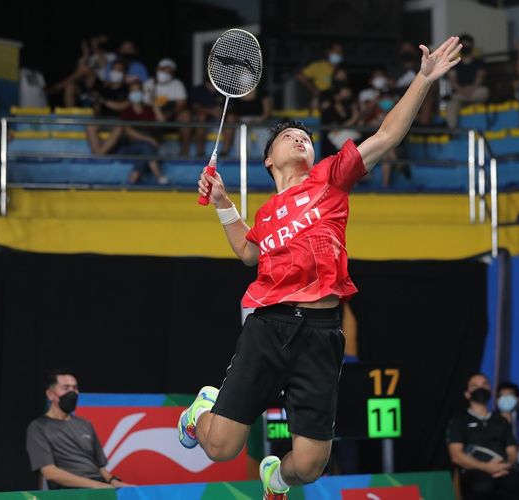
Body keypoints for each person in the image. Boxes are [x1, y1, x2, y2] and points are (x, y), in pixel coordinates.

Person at [184, 36, 462, 499]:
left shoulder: (329, 180)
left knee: (310, 466)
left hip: (321, 332)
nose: (301, 139)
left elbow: (388, 135)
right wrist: (222, 204)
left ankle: (275, 478)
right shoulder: (269, 213)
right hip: (269, 325)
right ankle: (201, 410)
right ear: (270, 158)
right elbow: (250, 255)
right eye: (290, 137)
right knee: (220, 447)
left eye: (307, 138)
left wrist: (424, 79)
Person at [446, 373, 519, 500]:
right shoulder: (458, 421)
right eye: (475, 386)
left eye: (484, 384)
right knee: (483, 487)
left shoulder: (501, 421)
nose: (480, 388)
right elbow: (456, 456)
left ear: (490, 390)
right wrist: (486, 467)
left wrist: (506, 465)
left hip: (502, 469)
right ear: (467, 394)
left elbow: (512, 452)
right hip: (474, 471)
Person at [26, 369, 128, 489]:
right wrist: (95, 485)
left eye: (75, 388)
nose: (72, 392)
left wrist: (114, 481)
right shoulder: (38, 427)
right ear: (50, 394)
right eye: (66, 388)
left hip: (99, 488)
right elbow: (50, 472)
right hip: (71, 492)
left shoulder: (85, 424)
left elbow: (99, 467)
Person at [120, 80, 169, 185]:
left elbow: (162, 121)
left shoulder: (148, 109)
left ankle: (134, 177)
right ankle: (159, 176)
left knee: (146, 150)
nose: (135, 93)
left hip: (149, 147)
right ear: (129, 94)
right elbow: (128, 131)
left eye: (138, 90)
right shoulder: (127, 111)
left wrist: (153, 103)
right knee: (147, 147)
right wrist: (149, 139)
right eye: (133, 91)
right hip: (131, 147)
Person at [143, 59, 189, 156]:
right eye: (163, 70)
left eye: (169, 71)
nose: (165, 73)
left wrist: (170, 114)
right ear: (157, 70)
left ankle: (185, 152)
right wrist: (159, 114)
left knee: (185, 115)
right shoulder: (149, 83)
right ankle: (154, 152)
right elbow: (146, 103)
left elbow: (181, 103)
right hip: (154, 115)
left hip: (172, 114)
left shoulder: (177, 84)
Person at [445, 34, 488, 129]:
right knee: (451, 104)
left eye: (467, 44)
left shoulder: (479, 62)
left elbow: (480, 78)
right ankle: (452, 130)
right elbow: (452, 81)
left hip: (474, 92)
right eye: (462, 44)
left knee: (484, 92)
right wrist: (462, 90)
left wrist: (471, 89)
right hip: (460, 94)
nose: (465, 47)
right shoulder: (455, 64)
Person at [296, 43, 343, 110]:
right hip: (320, 100)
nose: (338, 54)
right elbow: (300, 76)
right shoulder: (318, 66)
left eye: (340, 52)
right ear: (328, 52)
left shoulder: (341, 70)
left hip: (336, 102)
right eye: (335, 51)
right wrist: (314, 89)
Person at [189, 80, 225, 158]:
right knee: (201, 117)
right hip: (204, 122)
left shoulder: (224, 89)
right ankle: (200, 153)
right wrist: (211, 111)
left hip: (222, 121)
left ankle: (224, 154)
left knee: (231, 118)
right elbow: (195, 107)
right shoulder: (198, 90)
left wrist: (222, 112)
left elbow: (229, 108)